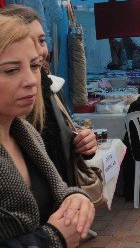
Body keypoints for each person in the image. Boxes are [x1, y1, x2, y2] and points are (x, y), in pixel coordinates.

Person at [0, 15, 95, 247]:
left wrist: (76, 198)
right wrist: (52, 238)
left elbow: (57, 188)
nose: (31, 80)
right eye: (11, 70)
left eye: (34, 66)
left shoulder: (24, 134)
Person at [0, 6, 98, 187]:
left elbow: (60, 138)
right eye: (11, 70)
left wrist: (82, 142)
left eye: (42, 40)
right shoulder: (19, 101)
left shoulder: (49, 86)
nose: (39, 51)